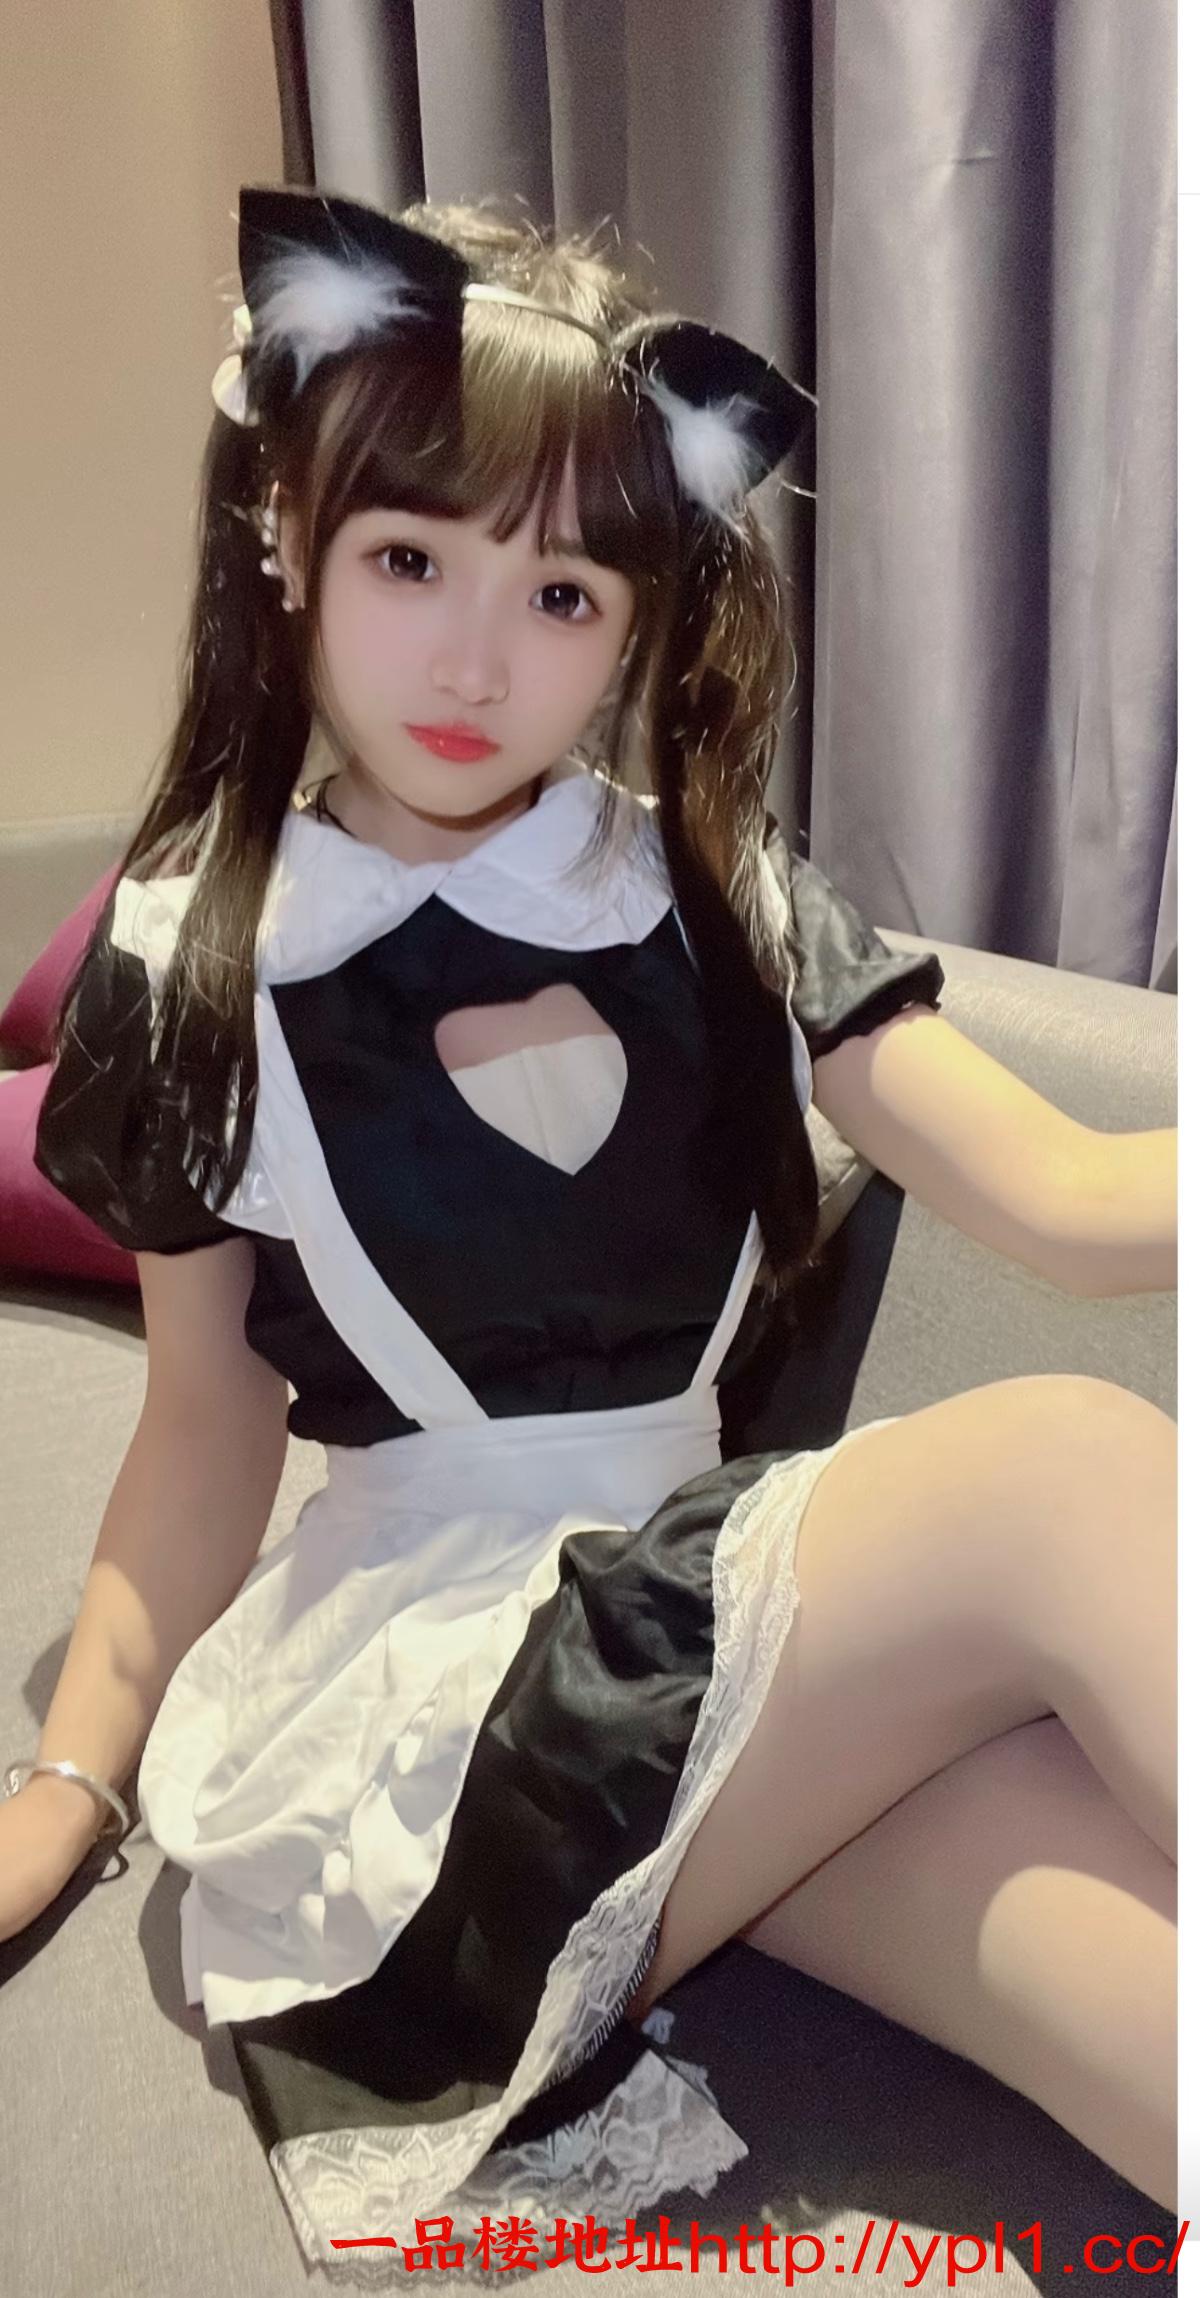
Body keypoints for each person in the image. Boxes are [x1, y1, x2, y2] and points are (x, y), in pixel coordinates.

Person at [0, 184, 1176, 2269]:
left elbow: (1076, 1203)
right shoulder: (201, 964)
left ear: (637, 624)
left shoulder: (711, 895)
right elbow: (203, 1426)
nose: (476, 657)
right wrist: (71, 1785)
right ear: (287, 538)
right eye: (410, 560)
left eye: (561, 592)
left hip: (707, 1684)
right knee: (1068, 1459)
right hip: (446, 1711)